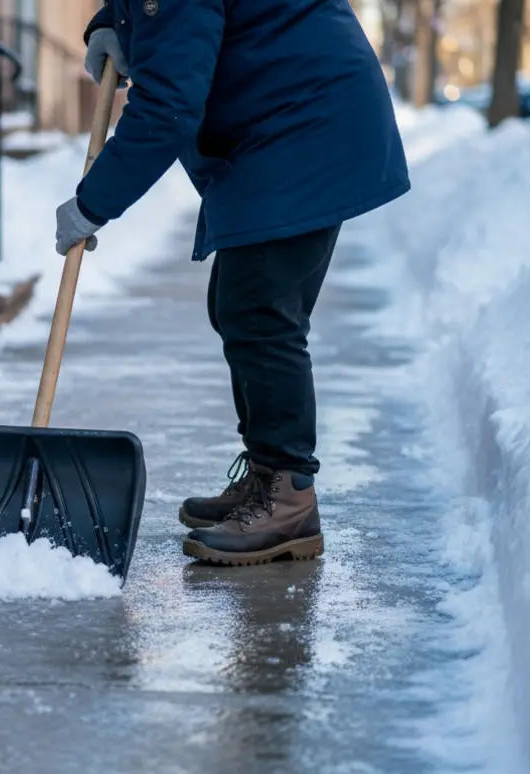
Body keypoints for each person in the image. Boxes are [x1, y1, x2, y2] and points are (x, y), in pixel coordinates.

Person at [53, 0, 409, 567]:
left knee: (261, 311)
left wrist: (95, 202)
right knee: (239, 305)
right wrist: (112, 23)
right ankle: (268, 471)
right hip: (288, 115)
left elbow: (169, 104)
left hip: (304, 124)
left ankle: (289, 496)